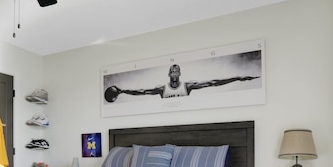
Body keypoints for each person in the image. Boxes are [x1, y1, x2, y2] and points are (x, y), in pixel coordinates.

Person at [104, 64, 260, 102]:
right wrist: (122, 91)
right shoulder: (161, 89)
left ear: (179, 73)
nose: (174, 72)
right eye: (172, 70)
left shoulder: (187, 86)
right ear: (168, 74)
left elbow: (214, 83)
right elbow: (142, 91)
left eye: (176, 70)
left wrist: (238, 77)